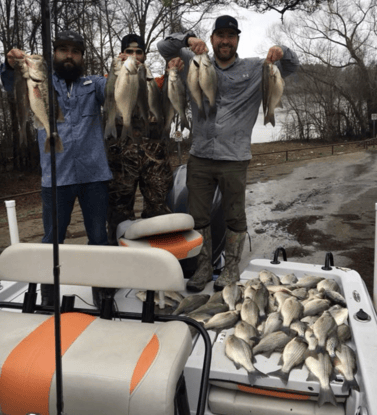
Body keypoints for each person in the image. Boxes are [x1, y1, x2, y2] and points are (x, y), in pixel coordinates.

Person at [157, 15, 300, 292]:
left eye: (231, 36)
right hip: (199, 155)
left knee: (235, 216)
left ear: (237, 40)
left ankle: (231, 269)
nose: (225, 40)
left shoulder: (256, 68)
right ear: (212, 39)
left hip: (234, 158)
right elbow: (164, 47)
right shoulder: (193, 59)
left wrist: (283, 50)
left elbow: (292, 65)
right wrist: (188, 39)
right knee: (197, 217)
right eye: (220, 35)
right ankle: (202, 269)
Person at [2, 31, 113, 308]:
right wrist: (9, 64)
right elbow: (8, 84)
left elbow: (112, 90)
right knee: (53, 238)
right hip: (55, 177)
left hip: (95, 176)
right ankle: (49, 293)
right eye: (63, 50)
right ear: (54, 54)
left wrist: (123, 71)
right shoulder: (38, 81)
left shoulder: (94, 83)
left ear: (82, 57)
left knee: (99, 237)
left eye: (75, 51)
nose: (68, 56)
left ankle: (102, 290)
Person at [106, 34, 173, 245]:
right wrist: (114, 70)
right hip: (121, 161)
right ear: (122, 54)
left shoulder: (157, 82)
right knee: (118, 215)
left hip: (155, 162)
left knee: (158, 212)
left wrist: (174, 70)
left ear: (144, 55)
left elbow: (174, 95)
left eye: (139, 52)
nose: (134, 56)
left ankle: (160, 259)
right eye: (129, 51)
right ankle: (120, 262)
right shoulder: (113, 78)